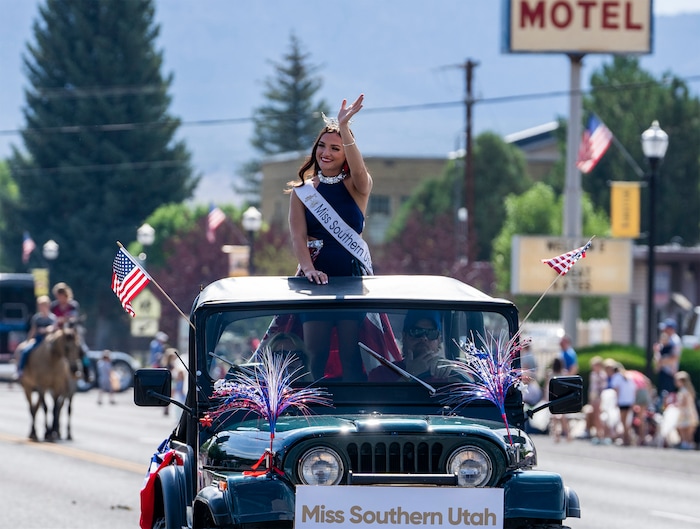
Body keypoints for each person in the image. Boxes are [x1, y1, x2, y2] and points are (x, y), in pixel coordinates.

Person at [287, 94, 371, 381]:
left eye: (336, 148)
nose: (326, 152)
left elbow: (359, 170)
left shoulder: (357, 186)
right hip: (314, 282)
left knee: (350, 353)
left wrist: (344, 126)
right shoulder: (302, 191)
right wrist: (309, 270)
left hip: (351, 277)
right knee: (315, 355)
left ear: (346, 153)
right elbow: (298, 236)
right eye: (322, 146)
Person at [369, 310, 452, 382]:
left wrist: (455, 370)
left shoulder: (449, 374)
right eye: (416, 331)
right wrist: (411, 375)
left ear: (439, 340)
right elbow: (377, 399)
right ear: (404, 337)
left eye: (431, 333)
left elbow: (463, 394)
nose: (424, 338)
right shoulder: (382, 374)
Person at [15, 295, 57, 379]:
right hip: (38, 339)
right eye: (40, 306)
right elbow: (33, 330)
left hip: (49, 341)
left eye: (43, 305)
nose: (41, 308)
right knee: (25, 351)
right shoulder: (37, 318)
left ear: (47, 306)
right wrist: (28, 340)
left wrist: (45, 330)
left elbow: (53, 328)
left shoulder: (52, 318)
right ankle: (20, 370)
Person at [653, 318, 682, 404]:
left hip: (669, 373)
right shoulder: (665, 339)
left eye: (666, 328)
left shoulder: (675, 341)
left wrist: (660, 362)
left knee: (668, 396)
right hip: (662, 371)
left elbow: (674, 358)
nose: (664, 330)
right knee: (661, 395)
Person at [671, 371, 699, 450]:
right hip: (689, 412)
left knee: (684, 429)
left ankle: (686, 443)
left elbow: (684, 403)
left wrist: (675, 404)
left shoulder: (684, 391)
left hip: (685, 413)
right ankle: (687, 443)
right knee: (687, 430)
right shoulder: (688, 390)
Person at [585, 355, 607, 444]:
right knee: (594, 415)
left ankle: (601, 434)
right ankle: (597, 434)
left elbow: (602, 387)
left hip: (599, 397)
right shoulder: (593, 374)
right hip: (594, 397)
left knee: (598, 416)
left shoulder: (602, 375)